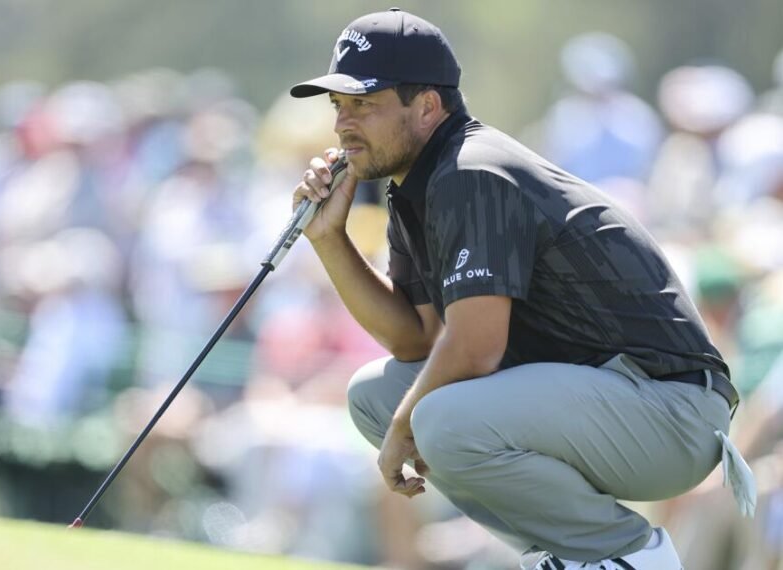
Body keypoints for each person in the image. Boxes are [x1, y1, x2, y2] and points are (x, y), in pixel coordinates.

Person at [288, 8, 754, 570]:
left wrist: (403, 430)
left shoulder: (471, 172)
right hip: (607, 401)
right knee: (375, 396)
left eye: (364, 103)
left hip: (671, 412)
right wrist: (329, 240)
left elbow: (475, 347)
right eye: (339, 105)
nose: (342, 123)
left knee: (434, 417)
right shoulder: (416, 188)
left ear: (428, 106)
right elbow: (417, 343)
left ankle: (627, 557)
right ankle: (565, 556)